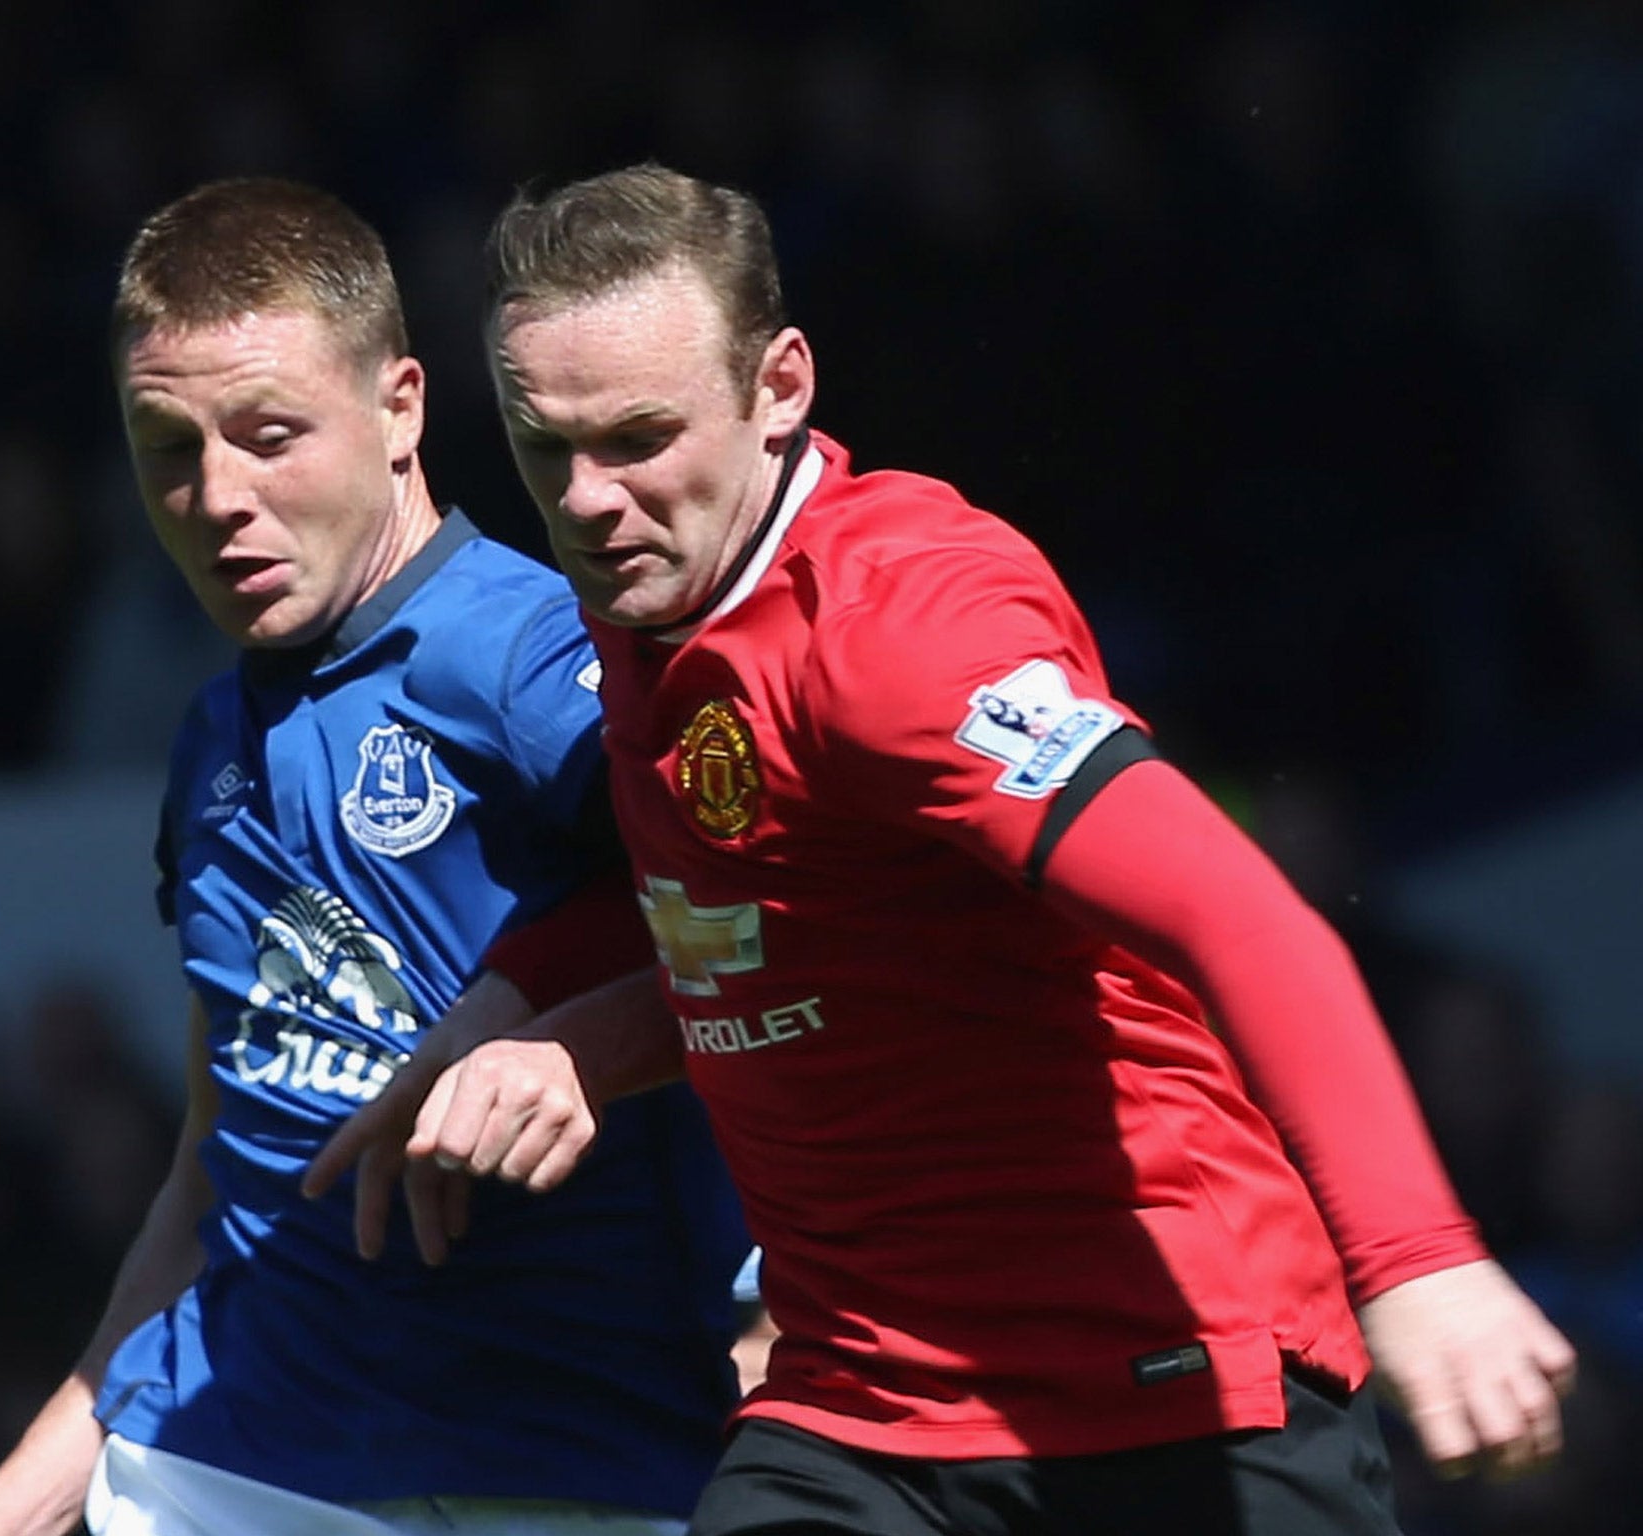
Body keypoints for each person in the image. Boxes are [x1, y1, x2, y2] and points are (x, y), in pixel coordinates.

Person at [311, 164, 1579, 1536]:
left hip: (1161, 1394)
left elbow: (1242, 916)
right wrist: (549, 1027)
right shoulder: (652, 602)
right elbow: (776, 921)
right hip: (861, 1417)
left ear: (780, 384)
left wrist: (1419, 1263)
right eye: (545, 446)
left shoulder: (899, 637)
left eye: (639, 438)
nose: (591, 497)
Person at [0, 176, 750, 1536]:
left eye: (269, 436)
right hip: (234, 1467)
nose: (216, 498)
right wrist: (4, 1509)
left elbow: (780, 920)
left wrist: (570, 1040)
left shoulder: (537, 660)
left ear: (402, 408)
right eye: (167, 450)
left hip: (571, 1464)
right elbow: (220, 1161)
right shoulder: (210, 745)